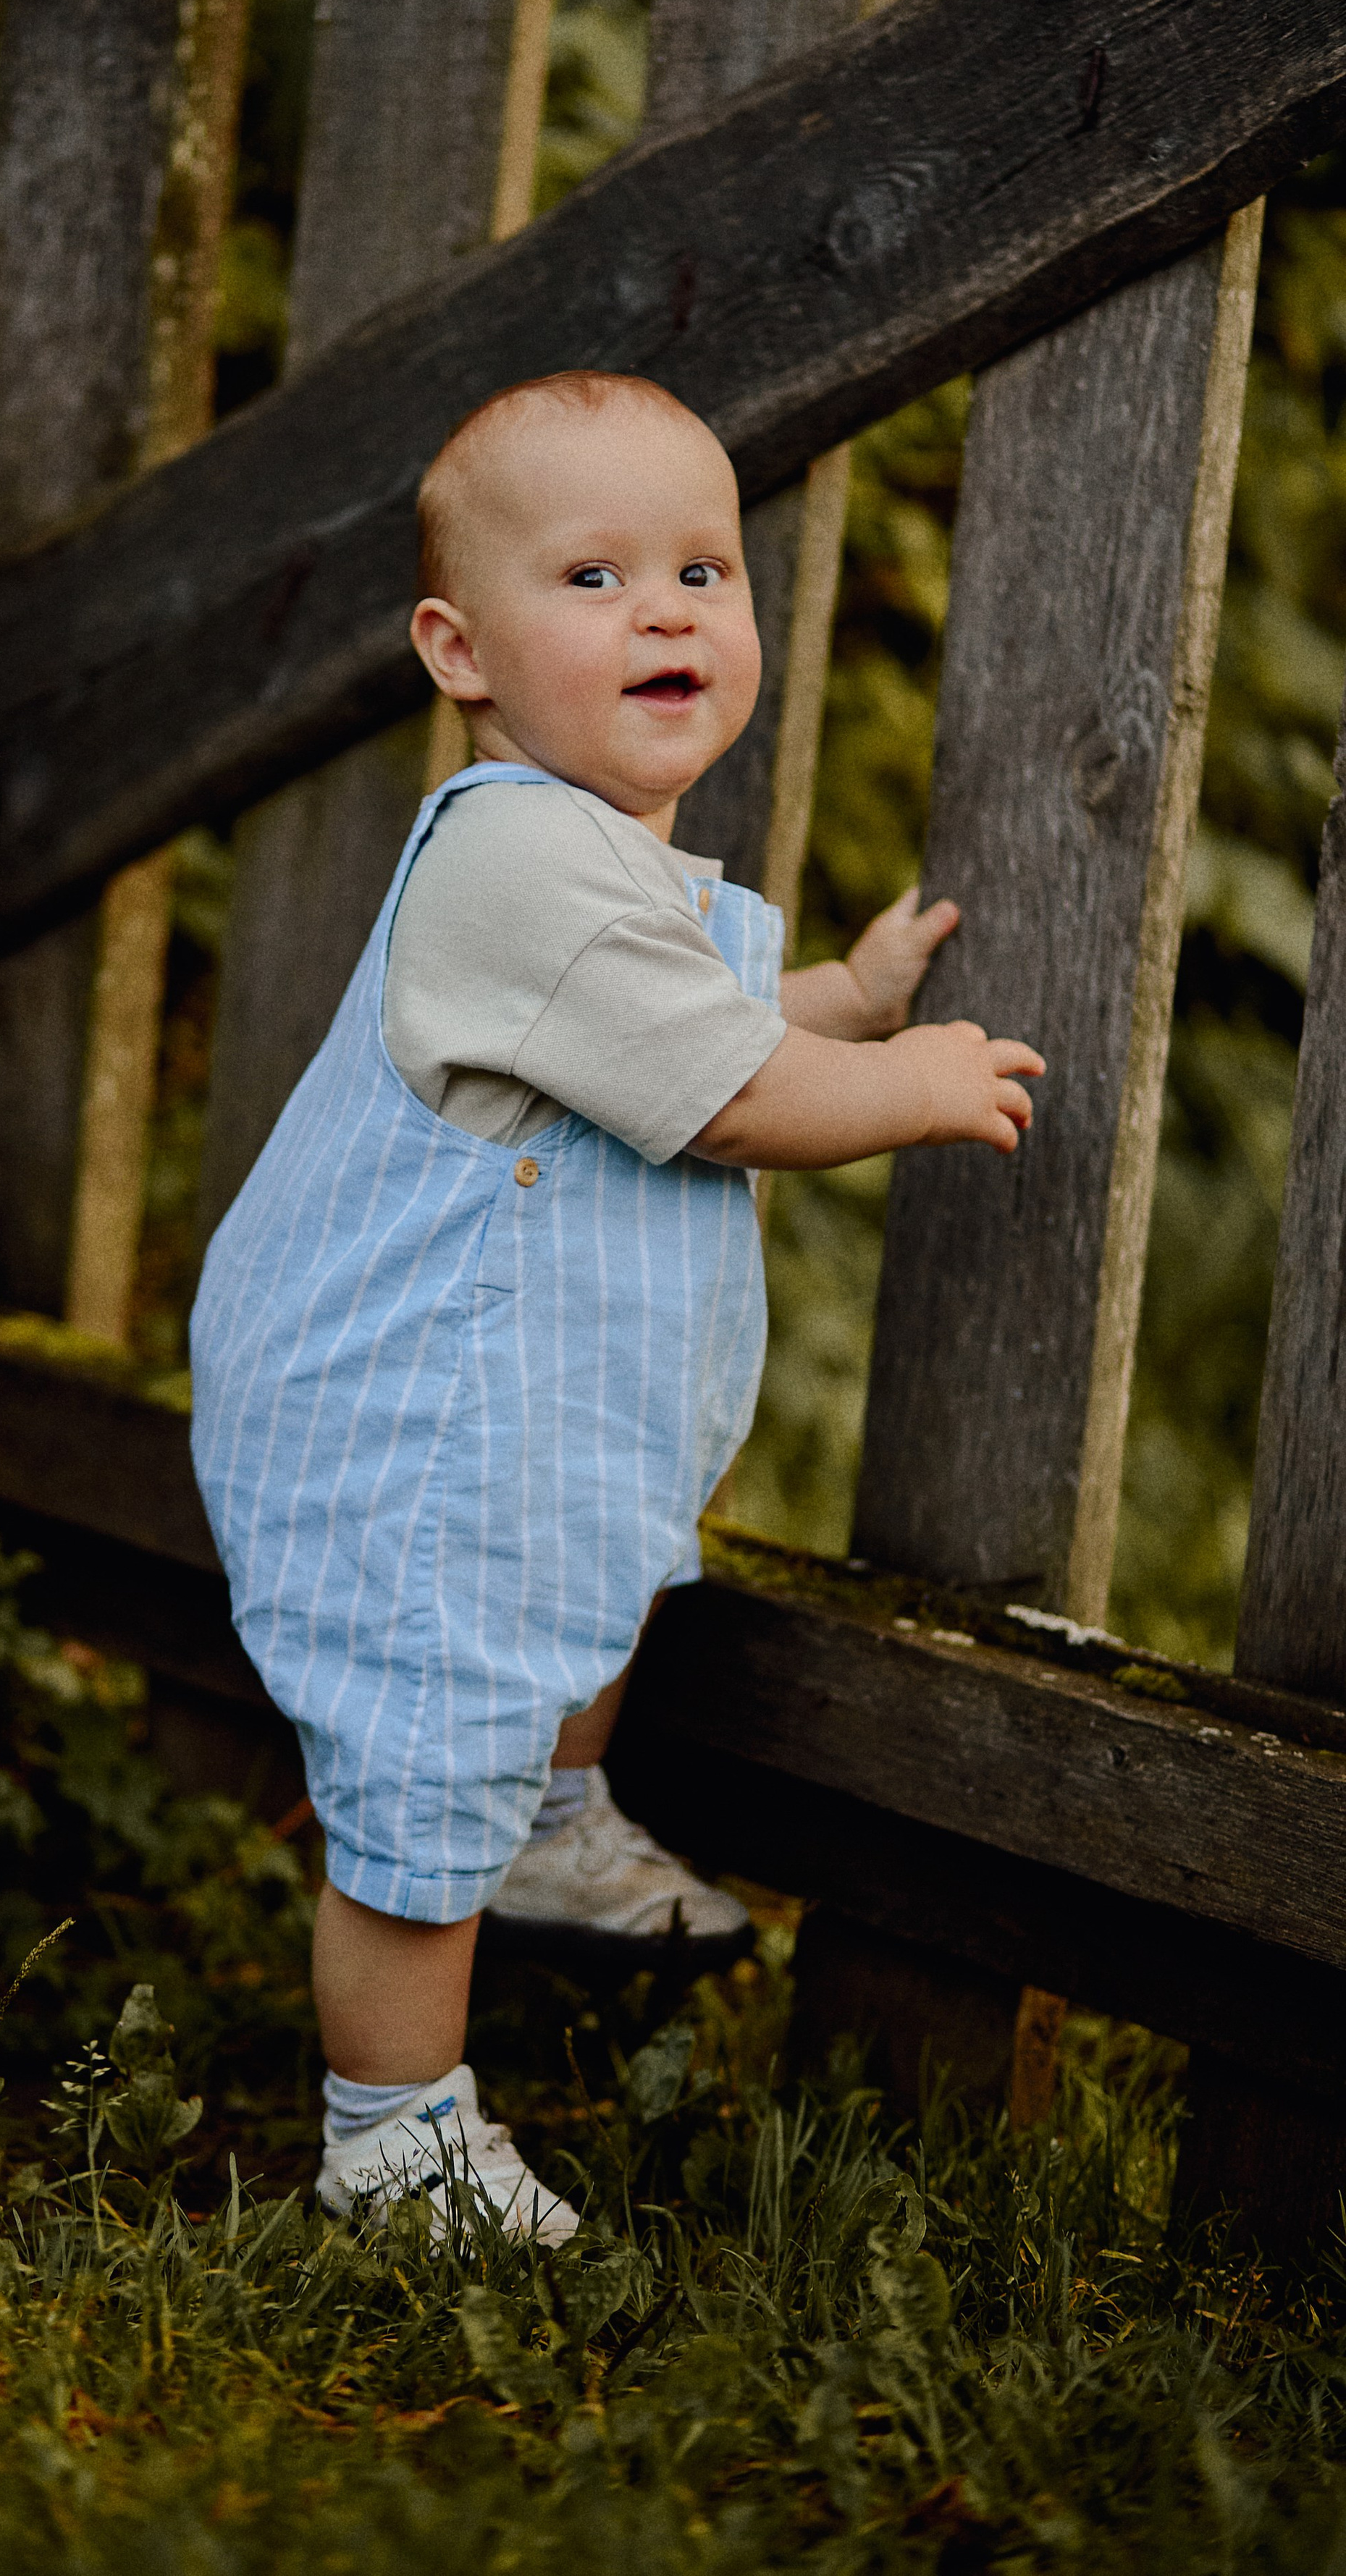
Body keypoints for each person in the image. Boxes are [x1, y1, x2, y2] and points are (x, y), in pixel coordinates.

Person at [190, 371, 1043, 2245]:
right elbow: (727, 1090)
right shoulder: (508, 855)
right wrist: (899, 1087)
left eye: (703, 568)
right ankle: (392, 2132)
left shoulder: (598, 859)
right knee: (422, 1786)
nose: (668, 610)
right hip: (408, 1418)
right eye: (594, 575)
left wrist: (848, 991)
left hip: (529, 1418)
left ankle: (555, 1823)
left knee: (577, 1588)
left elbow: (705, 1027)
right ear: (461, 649)